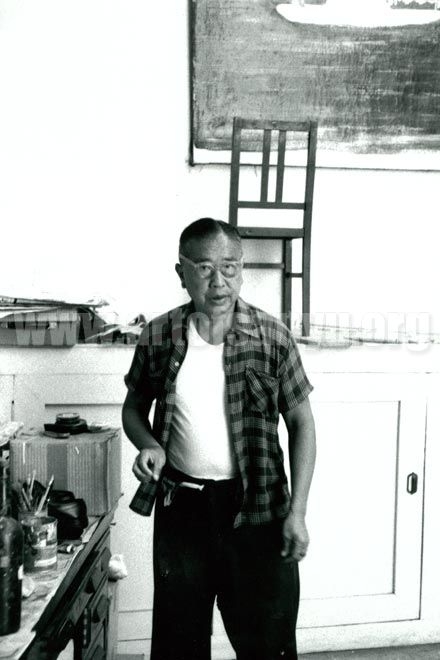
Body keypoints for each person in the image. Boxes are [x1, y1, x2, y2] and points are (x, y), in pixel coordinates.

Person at [122, 217, 316, 660]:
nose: (219, 281)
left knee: (268, 645)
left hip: (259, 512)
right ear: (182, 273)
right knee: (179, 646)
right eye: (205, 268)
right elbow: (133, 409)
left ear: (242, 269)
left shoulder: (272, 337)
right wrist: (149, 444)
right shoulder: (158, 336)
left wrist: (298, 512)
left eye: (229, 267)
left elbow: (302, 424)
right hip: (183, 510)